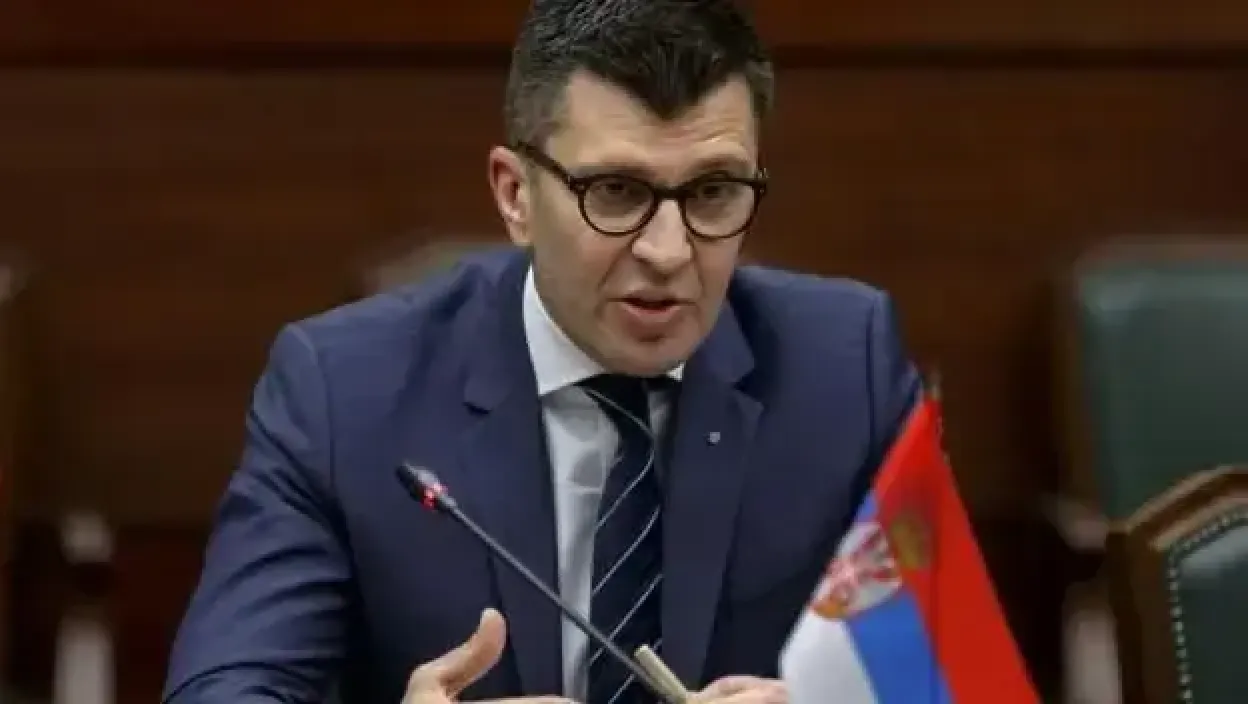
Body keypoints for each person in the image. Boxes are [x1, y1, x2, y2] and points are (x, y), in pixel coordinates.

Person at [162, 0, 920, 702]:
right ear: (515, 195)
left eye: (713, 191)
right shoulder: (341, 396)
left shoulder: (846, 371)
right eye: (616, 192)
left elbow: (939, 678)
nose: (668, 251)